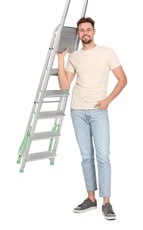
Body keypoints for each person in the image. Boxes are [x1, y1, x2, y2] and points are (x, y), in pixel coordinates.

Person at [57, 17, 127, 220]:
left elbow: (123, 80)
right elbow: (64, 85)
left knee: (103, 157)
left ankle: (107, 202)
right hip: (78, 110)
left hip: (99, 111)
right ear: (79, 34)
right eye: (81, 30)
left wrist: (107, 101)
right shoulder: (75, 57)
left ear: (94, 32)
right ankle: (91, 198)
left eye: (88, 29)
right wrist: (61, 59)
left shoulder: (107, 52)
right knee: (86, 157)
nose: (85, 33)